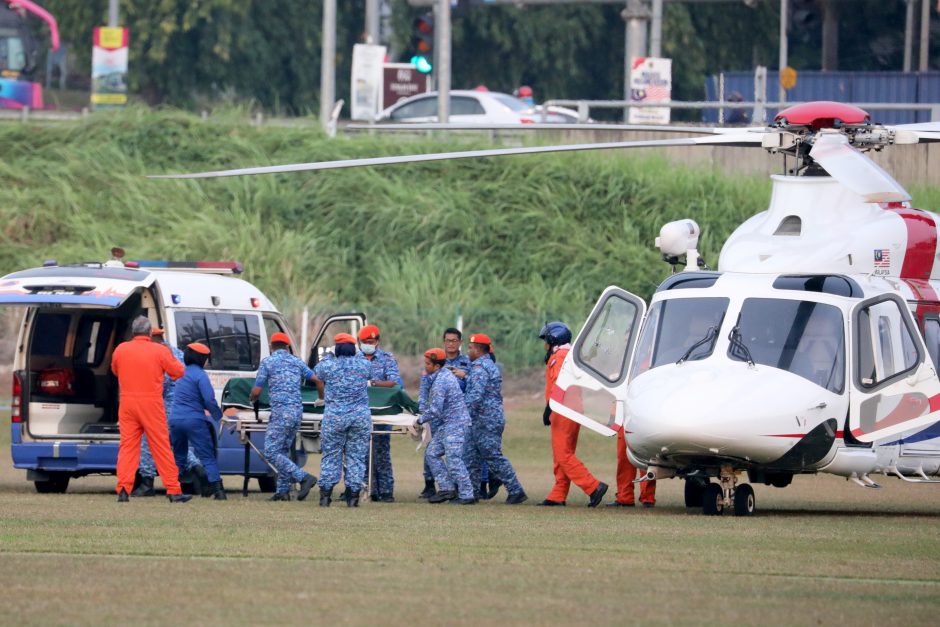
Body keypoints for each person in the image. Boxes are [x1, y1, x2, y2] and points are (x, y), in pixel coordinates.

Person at [111, 315, 190, 503]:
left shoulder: (121, 349)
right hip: (152, 403)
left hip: (127, 403)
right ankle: (173, 490)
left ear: (132, 332)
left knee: (128, 447)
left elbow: (115, 370)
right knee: (161, 446)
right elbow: (179, 371)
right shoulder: (159, 350)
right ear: (149, 332)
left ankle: (123, 489)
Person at [538, 322, 609, 508]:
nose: (545, 344)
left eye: (546, 340)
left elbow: (557, 383)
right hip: (568, 408)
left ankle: (593, 487)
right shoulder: (568, 355)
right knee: (562, 453)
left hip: (563, 409)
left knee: (563, 454)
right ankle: (558, 494)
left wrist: (549, 408)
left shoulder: (560, 356)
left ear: (554, 339)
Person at [132, 327, 206, 497]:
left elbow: (160, 383)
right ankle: (197, 468)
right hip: (184, 404)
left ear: (151, 338)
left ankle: (147, 483)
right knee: (171, 442)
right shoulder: (178, 353)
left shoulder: (159, 354)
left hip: (166, 405)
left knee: (148, 441)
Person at [249, 332, 318, 502]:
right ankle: (282, 491)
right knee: (283, 452)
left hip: (280, 413)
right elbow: (316, 378)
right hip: (296, 413)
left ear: (272, 347)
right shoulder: (296, 362)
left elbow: (257, 390)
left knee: (272, 452)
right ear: (287, 347)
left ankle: (304, 477)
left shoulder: (268, 362)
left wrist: (252, 398)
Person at [462, 333, 527, 504]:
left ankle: (516, 490)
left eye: (470, 347)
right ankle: (471, 493)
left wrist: (460, 414)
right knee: (470, 456)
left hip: (485, 420)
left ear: (477, 349)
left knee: (492, 456)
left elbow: (475, 396)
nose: (468, 351)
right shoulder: (485, 366)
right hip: (480, 420)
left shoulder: (480, 368)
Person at [168, 342, 237, 500]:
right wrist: (219, 417)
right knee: (206, 455)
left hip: (175, 419)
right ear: (201, 359)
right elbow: (209, 400)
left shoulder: (180, 372)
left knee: (179, 456)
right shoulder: (200, 375)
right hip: (194, 420)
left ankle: (174, 490)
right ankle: (218, 490)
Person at [311, 333, 372, 507]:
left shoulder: (328, 365)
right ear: (354, 348)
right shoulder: (363, 364)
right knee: (356, 457)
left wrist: (331, 354)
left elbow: (317, 373)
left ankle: (325, 497)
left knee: (331, 456)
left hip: (334, 418)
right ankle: (353, 498)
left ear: (336, 348)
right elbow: (370, 371)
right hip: (359, 418)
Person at [416, 327, 474, 499]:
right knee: (432, 453)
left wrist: (419, 420)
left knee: (454, 459)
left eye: (427, 364)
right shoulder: (438, 375)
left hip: (456, 424)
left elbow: (435, 409)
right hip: (447, 425)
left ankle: (467, 495)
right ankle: (446, 489)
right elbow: (424, 394)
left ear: (437, 366)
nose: (425, 367)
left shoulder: (442, 380)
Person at [357, 324, 402, 503]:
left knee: (382, 451)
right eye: (365, 342)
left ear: (378, 341)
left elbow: (394, 382)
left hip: (381, 410)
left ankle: (386, 491)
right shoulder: (354, 358)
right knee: (360, 452)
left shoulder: (386, 358)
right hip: (359, 410)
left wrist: (373, 384)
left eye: (372, 341)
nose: (369, 344)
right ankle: (366, 489)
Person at [609, 426, 656, 508]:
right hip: (626, 417)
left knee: (646, 456)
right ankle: (625, 497)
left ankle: (647, 498)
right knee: (625, 456)